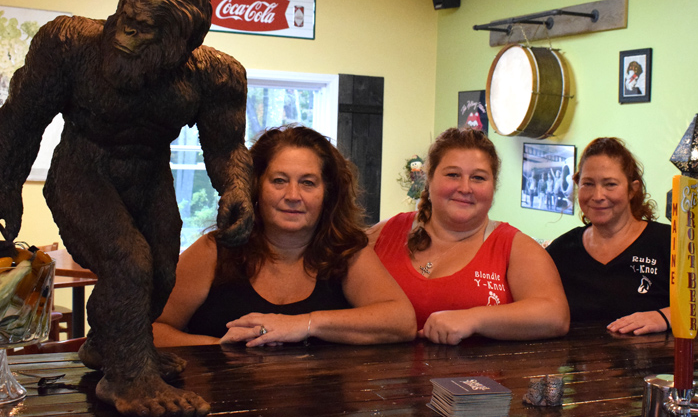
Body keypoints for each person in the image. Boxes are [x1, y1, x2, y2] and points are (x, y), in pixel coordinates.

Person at [154, 126, 417, 347]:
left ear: (328, 194)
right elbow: (148, 330)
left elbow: (402, 322)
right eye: (279, 180)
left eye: (308, 182)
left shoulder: (346, 252)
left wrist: (304, 324)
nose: (293, 196)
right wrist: (219, 347)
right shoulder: (215, 250)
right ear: (256, 188)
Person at [368, 127, 569, 345]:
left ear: (493, 187)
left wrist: (473, 318)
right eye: (453, 175)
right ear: (430, 179)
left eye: (478, 178)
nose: (465, 187)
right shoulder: (383, 234)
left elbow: (555, 316)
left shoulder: (514, 246)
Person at [546, 137, 698, 335]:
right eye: (588, 184)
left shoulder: (670, 243)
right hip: (579, 364)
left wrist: (666, 316)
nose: (597, 196)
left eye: (610, 184)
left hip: (656, 364)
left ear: (633, 189)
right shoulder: (561, 252)